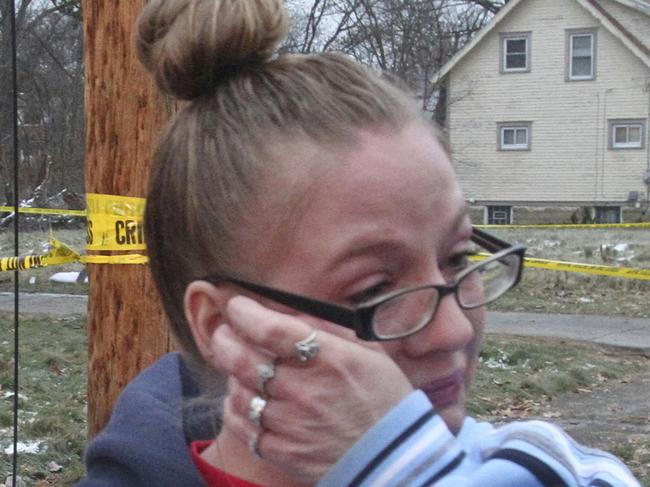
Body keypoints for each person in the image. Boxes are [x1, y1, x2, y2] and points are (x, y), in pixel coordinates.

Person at [77, 0, 640, 486]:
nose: (455, 330)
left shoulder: (550, 468)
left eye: (458, 258)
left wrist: (398, 467)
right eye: (374, 290)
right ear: (221, 325)